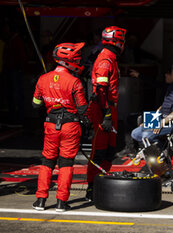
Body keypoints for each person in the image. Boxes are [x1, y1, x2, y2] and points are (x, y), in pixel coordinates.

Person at [32, 42, 88, 211]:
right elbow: (83, 109)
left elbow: (35, 104)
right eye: (77, 58)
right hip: (70, 126)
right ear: (69, 60)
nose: (79, 60)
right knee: (66, 163)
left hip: (50, 125)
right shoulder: (75, 82)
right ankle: (61, 203)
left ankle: (40, 200)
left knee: (47, 161)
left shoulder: (43, 79)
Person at [85, 26, 126, 202]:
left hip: (109, 108)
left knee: (110, 149)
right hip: (102, 108)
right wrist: (107, 113)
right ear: (118, 42)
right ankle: (92, 187)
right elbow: (101, 89)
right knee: (100, 150)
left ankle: (101, 182)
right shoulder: (105, 60)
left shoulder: (110, 58)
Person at [130, 63, 173, 146]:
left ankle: (161, 152)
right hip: (161, 120)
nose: (165, 75)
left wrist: (161, 123)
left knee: (146, 136)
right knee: (135, 133)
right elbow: (162, 107)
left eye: (168, 73)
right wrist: (150, 121)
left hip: (172, 124)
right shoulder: (171, 86)